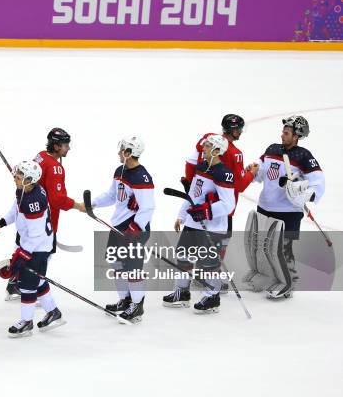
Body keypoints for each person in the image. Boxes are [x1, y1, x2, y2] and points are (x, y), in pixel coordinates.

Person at [246, 115, 325, 298]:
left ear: (296, 135)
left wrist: (305, 193)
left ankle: (288, 281)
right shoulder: (272, 149)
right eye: (283, 131)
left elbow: (318, 182)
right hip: (265, 206)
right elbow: (261, 171)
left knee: (281, 249)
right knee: (261, 246)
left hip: (288, 212)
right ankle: (268, 276)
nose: (282, 135)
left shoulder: (303, 156)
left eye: (287, 132)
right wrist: (254, 169)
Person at [5, 128, 85, 300]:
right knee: (41, 256)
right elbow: (57, 200)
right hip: (43, 218)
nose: (68, 148)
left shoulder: (41, 155)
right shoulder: (55, 168)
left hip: (25, 212)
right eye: (65, 145)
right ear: (56, 146)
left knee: (23, 246)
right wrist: (78, 206)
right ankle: (31, 289)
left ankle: (14, 283)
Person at [181, 114, 258, 291]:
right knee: (219, 241)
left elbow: (191, 161)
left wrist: (191, 184)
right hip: (222, 205)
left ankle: (199, 276)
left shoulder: (207, 139)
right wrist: (251, 173)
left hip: (199, 197)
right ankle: (208, 279)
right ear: (236, 130)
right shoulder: (235, 153)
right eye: (240, 129)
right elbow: (239, 185)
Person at [163, 135, 235, 313]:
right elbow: (193, 196)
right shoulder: (202, 166)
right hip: (193, 223)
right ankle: (182, 292)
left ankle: (212, 297)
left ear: (217, 150)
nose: (203, 148)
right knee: (183, 256)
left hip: (213, 227)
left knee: (209, 263)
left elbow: (228, 204)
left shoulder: (223, 173)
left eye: (208, 146)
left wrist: (206, 211)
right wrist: (181, 215)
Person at [91, 136, 155, 323]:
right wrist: (93, 203)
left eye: (122, 151)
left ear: (129, 153)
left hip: (134, 230)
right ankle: (125, 299)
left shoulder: (141, 177)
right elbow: (112, 196)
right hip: (117, 226)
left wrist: (135, 229)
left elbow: (148, 207)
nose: (119, 153)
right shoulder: (120, 170)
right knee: (117, 265)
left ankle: (137, 306)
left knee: (132, 269)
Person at [0, 160, 65, 337]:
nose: (15, 176)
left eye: (19, 175)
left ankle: (26, 322)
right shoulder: (24, 190)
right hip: (36, 243)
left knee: (27, 285)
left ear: (29, 179)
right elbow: (16, 209)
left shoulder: (34, 200)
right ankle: (53, 312)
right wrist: (2, 222)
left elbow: (35, 235)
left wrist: (21, 255)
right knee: (38, 280)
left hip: (38, 247)